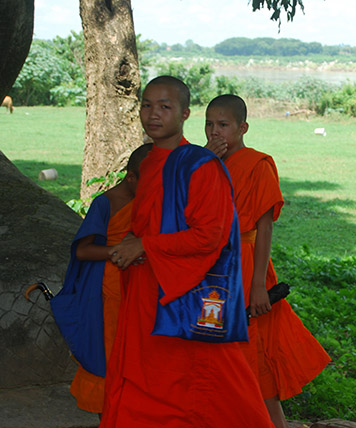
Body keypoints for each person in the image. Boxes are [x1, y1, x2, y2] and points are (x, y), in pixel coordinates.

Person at [100, 77, 274, 427]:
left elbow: (211, 236)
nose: (153, 114)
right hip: (147, 290)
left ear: (184, 114)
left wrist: (144, 244)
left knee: (211, 385)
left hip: (183, 295)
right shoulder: (149, 162)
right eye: (147, 105)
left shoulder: (199, 164)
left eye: (165, 106)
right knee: (143, 381)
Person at [204, 94, 330, 428]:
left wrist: (259, 284)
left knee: (252, 353)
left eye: (224, 126)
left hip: (245, 267)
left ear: (243, 128)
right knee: (211, 349)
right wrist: (202, 164)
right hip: (209, 269)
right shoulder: (199, 163)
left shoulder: (257, 164)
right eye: (209, 125)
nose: (215, 133)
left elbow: (263, 228)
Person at [57, 143, 152, 414]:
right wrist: (118, 250)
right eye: (148, 182)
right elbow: (83, 249)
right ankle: (107, 413)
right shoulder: (105, 202)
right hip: (108, 287)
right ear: (131, 177)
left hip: (137, 284)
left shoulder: (148, 198)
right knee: (108, 353)